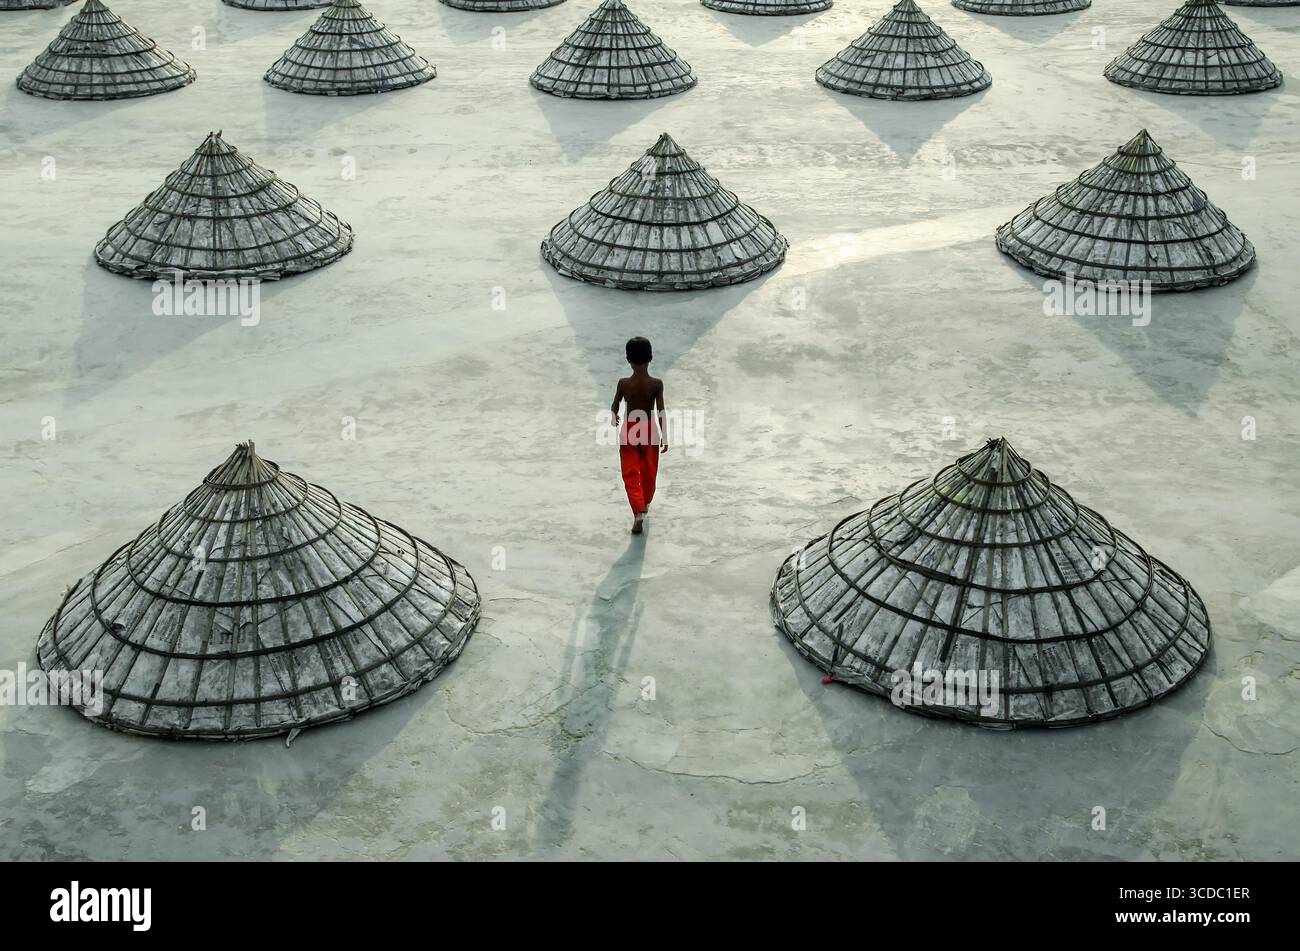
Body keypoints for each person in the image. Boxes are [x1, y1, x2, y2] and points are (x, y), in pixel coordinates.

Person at [610, 336, 668, 534]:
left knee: (630, 472)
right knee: (649, 472)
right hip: (649, 428)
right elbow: (661, 411)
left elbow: (615, 405)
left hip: (630, 429)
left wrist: (613, 416)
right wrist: (665, 435)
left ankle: (638, 511)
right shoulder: (656, 384)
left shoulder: (623, 383)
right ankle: (646, 503)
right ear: (650, 358)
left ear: (628, 360)